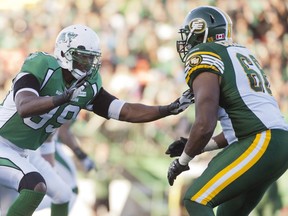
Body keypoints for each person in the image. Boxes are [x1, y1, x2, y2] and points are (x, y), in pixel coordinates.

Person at [0, 24, 194, 216]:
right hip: (3, 144)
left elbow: (125, 111)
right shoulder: (43, 65)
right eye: (82, 56)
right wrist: (62, 98)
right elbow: (24, 107)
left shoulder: (87, 86)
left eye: (91, 58)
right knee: (35, 186)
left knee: (64, 195)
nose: (87, 63)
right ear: (64, 52)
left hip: (26, 151)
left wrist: (167, 109)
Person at [165, 5, 288, 216]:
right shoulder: (240, 52)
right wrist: (198, 147)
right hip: (278, 143)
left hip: (260, 141)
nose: (186, 43)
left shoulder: (204, 54)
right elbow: (236, 128)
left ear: (200, 32)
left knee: (195, 199)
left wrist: (183, 161)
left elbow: (204, 124)